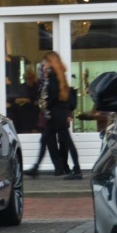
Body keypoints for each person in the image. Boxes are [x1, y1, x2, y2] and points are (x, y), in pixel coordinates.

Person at [41, 51, 81, 179]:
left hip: (56, 114)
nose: (44, 65)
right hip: (57, 114)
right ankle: (66, 167)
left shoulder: (54, 77)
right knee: (55, 141)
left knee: (64, 142)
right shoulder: (58, 76)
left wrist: (48, 105)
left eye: (46, 62)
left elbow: (54, 97)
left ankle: (68, 167)